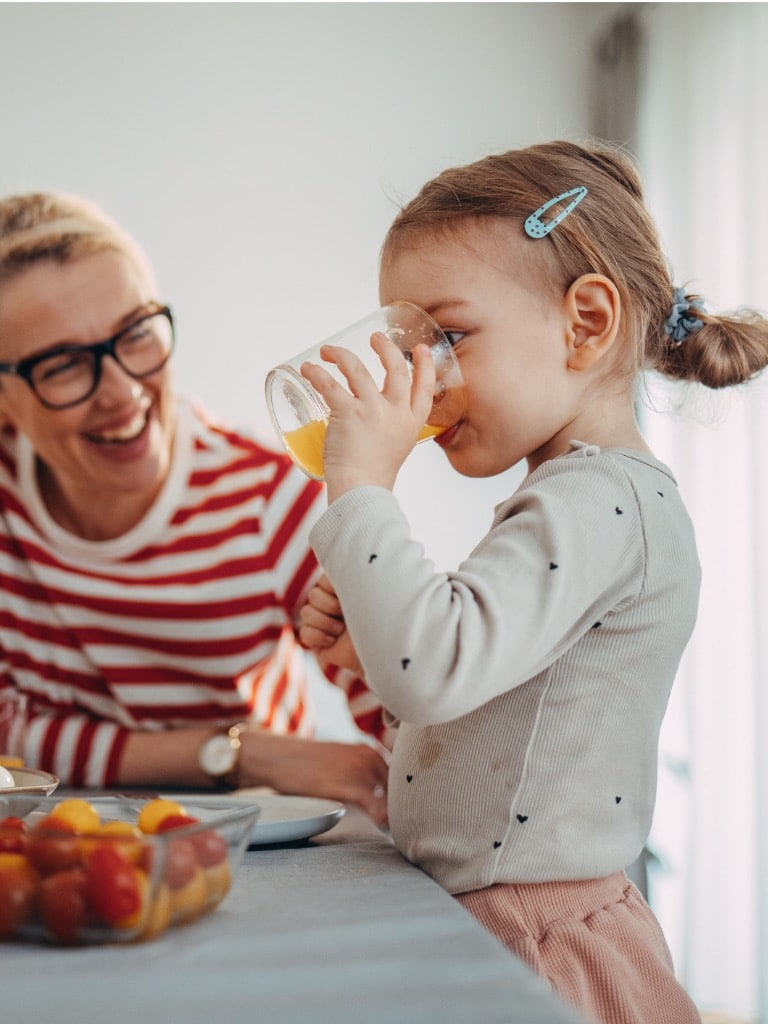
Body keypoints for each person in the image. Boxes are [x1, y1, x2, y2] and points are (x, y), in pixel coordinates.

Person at [298, 140, 768, 1023]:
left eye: (446, 336)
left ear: (586, 324)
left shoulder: (599, 503)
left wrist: (361, 486)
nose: (421, 375)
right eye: (405, 343)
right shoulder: (575, 498)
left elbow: (432, 667)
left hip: (533, 942)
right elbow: (489, 709)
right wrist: (375, 657)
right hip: (494, 916)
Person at [0, 191, 389, 822]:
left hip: (257, 848)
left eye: (135, 333)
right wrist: (238, 753)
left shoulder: (263, 503)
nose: (124, 391)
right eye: (64, 365)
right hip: (57, 852)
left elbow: (408, 707)